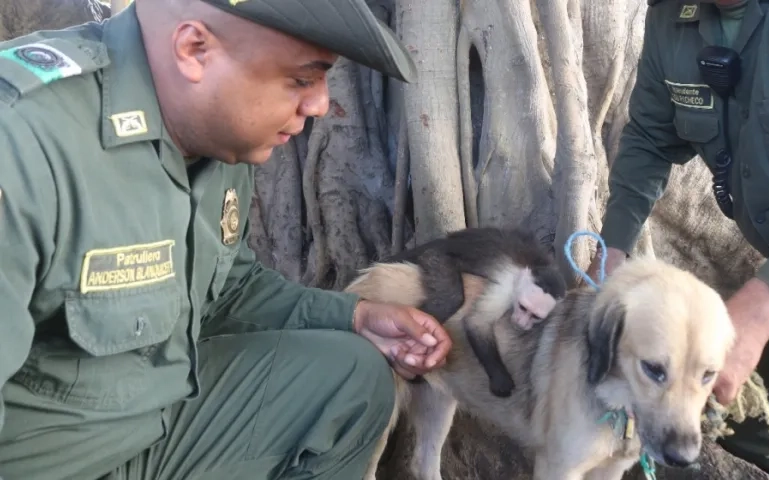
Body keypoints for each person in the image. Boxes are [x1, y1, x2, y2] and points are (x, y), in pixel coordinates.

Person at [0, 0, 453, 479]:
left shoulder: (216, 137)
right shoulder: (25, 144)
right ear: (195, 49)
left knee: (351, 376)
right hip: (44, 460)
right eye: (301, 79)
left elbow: (226, 283)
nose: (320, 104)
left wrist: (354, 316)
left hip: (153, 426)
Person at [587, 0, 769, 478]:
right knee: (741, 424)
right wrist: (613, 251)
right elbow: (648, 136)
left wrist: (762, 309)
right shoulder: (671, 21)